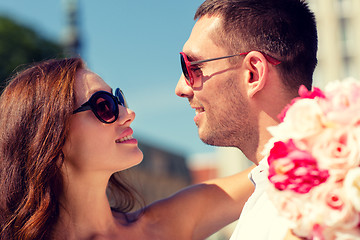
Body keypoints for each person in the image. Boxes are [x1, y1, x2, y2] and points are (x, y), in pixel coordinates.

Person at [0, 57, 254, 240]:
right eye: (104, 105)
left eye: (119, 99)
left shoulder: (166, 224)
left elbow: (277, 167)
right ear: (49, 138)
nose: (129, 113)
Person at [175, 0, 318, 239]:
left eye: (192, 67)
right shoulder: (267, 192)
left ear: (253, 73)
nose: (181, 88)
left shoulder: (331, 198)